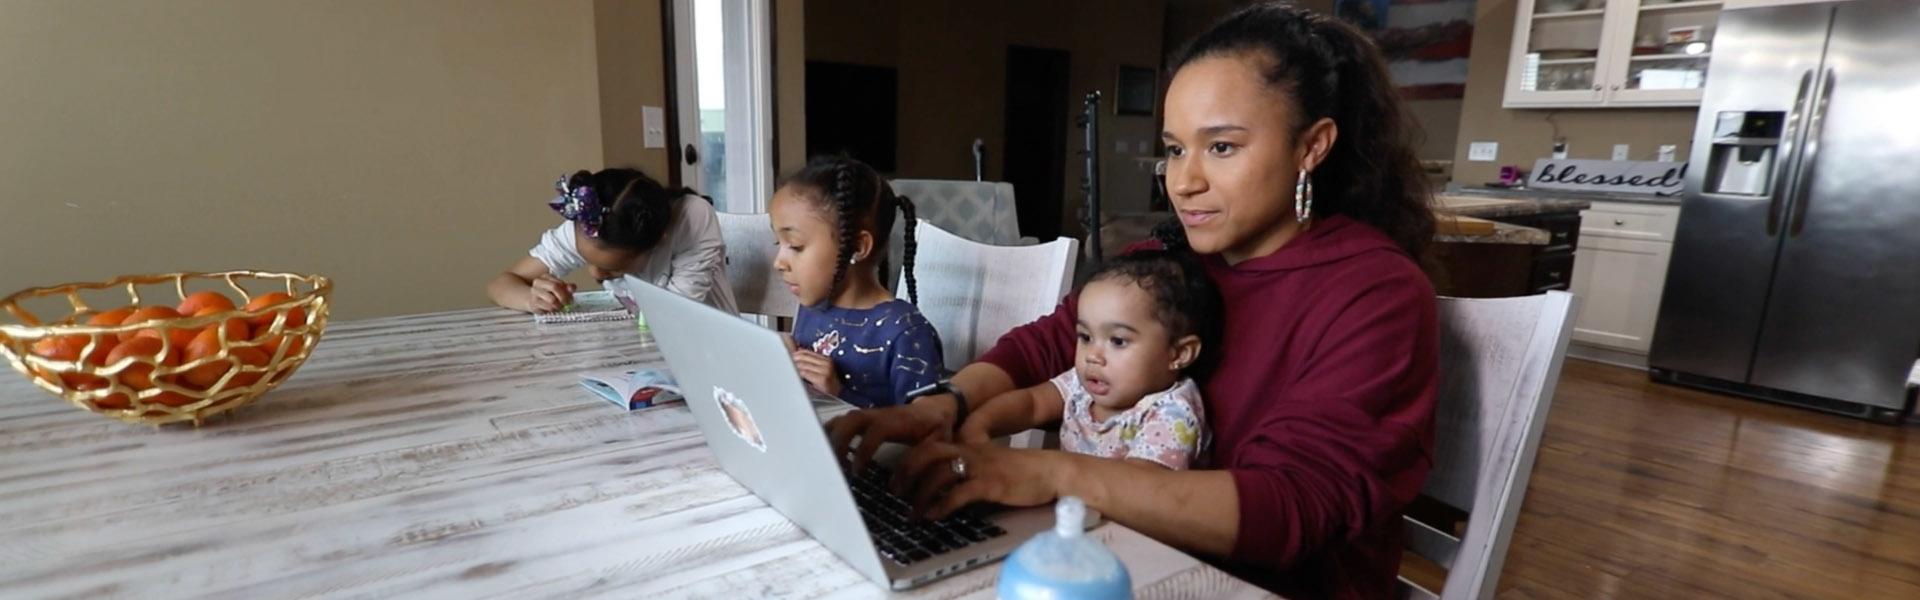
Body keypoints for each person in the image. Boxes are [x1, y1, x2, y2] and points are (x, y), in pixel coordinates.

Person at [824, 3, 1440, 598]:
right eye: (1175, 149)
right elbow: (1047, 343)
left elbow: (1290, 509)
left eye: (1221, 147)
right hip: (1121, 552)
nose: (1184, 180)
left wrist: (1049, 474)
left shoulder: (1375, 293)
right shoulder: (1166, 262)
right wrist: (947, 403)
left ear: (1312, 146)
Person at [959, 250, 1221, 471]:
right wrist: (981, 424)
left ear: (1178, 354)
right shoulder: (1083, 384)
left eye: (1117, 341)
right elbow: (1032, 404)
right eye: (1085, 337)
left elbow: (1138, 485)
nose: (1093, 356)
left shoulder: (1172, 413)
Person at [773, 156, 943, 409]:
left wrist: (839, 393)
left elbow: (924, 431)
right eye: (779, 243)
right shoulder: (813, 306)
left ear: (857, 247)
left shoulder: (905, 332)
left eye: (796, 246)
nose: (779, 262)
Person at [487, 168, 738, 314]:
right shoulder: (590, 226)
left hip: (710, 352)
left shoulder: (691, 217)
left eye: (613, 271)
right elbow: (501, 284)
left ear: (658, 242)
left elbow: (674, 316)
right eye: (586, 259)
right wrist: (532, 298)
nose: (594, 273)